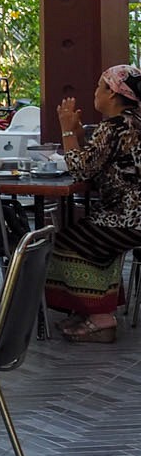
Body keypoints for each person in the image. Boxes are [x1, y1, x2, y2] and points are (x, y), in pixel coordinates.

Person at [44, 64, 141, 342]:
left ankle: (100, 318)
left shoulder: (113, 127)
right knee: (85, 234)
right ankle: (89, 310)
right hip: (129, 214)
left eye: (100, 86)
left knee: (66, 243)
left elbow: (81, 170)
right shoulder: (133, 121)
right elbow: (100, 161)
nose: (95, 93)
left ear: (112, 93)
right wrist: (80, 134)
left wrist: (66, 131)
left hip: (127, 217)